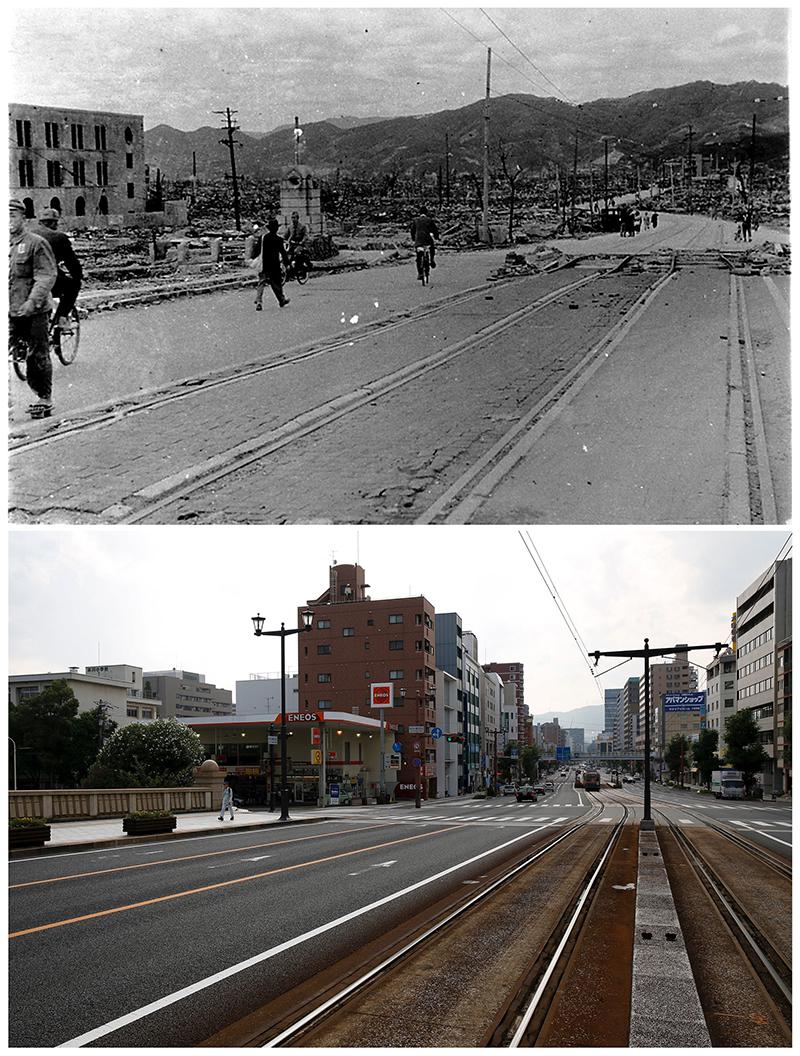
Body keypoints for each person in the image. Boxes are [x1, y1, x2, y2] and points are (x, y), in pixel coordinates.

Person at [9, 197, 58, 418]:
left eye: (12, 215)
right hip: (10, 309)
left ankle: (44, 397)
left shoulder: (35, 243)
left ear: (23, 218)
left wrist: (33, 301)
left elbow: (47, 275)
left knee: (37, 355)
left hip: (33, 310)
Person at [254, 217, 290, 310]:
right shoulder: (279, 239)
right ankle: (281, 300)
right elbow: (283, 252)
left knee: (261, 282)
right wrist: (287, 263)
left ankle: (259, 301)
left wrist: (255, 258)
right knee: (276, 284)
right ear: (277, 228)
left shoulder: (263, 238)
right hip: (274, 265)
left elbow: (257, 250)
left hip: (264, 264)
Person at [410, 205, 439, 276]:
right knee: (432, 247)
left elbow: (412, 231)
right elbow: (435, 230)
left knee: (418, 257)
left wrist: (414, 239)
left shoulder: (415, 220)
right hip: (427, 240)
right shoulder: (429, 220)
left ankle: (420, 273)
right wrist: (436, 237)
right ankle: (432, 260)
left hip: (418, 240)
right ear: (427, 213)